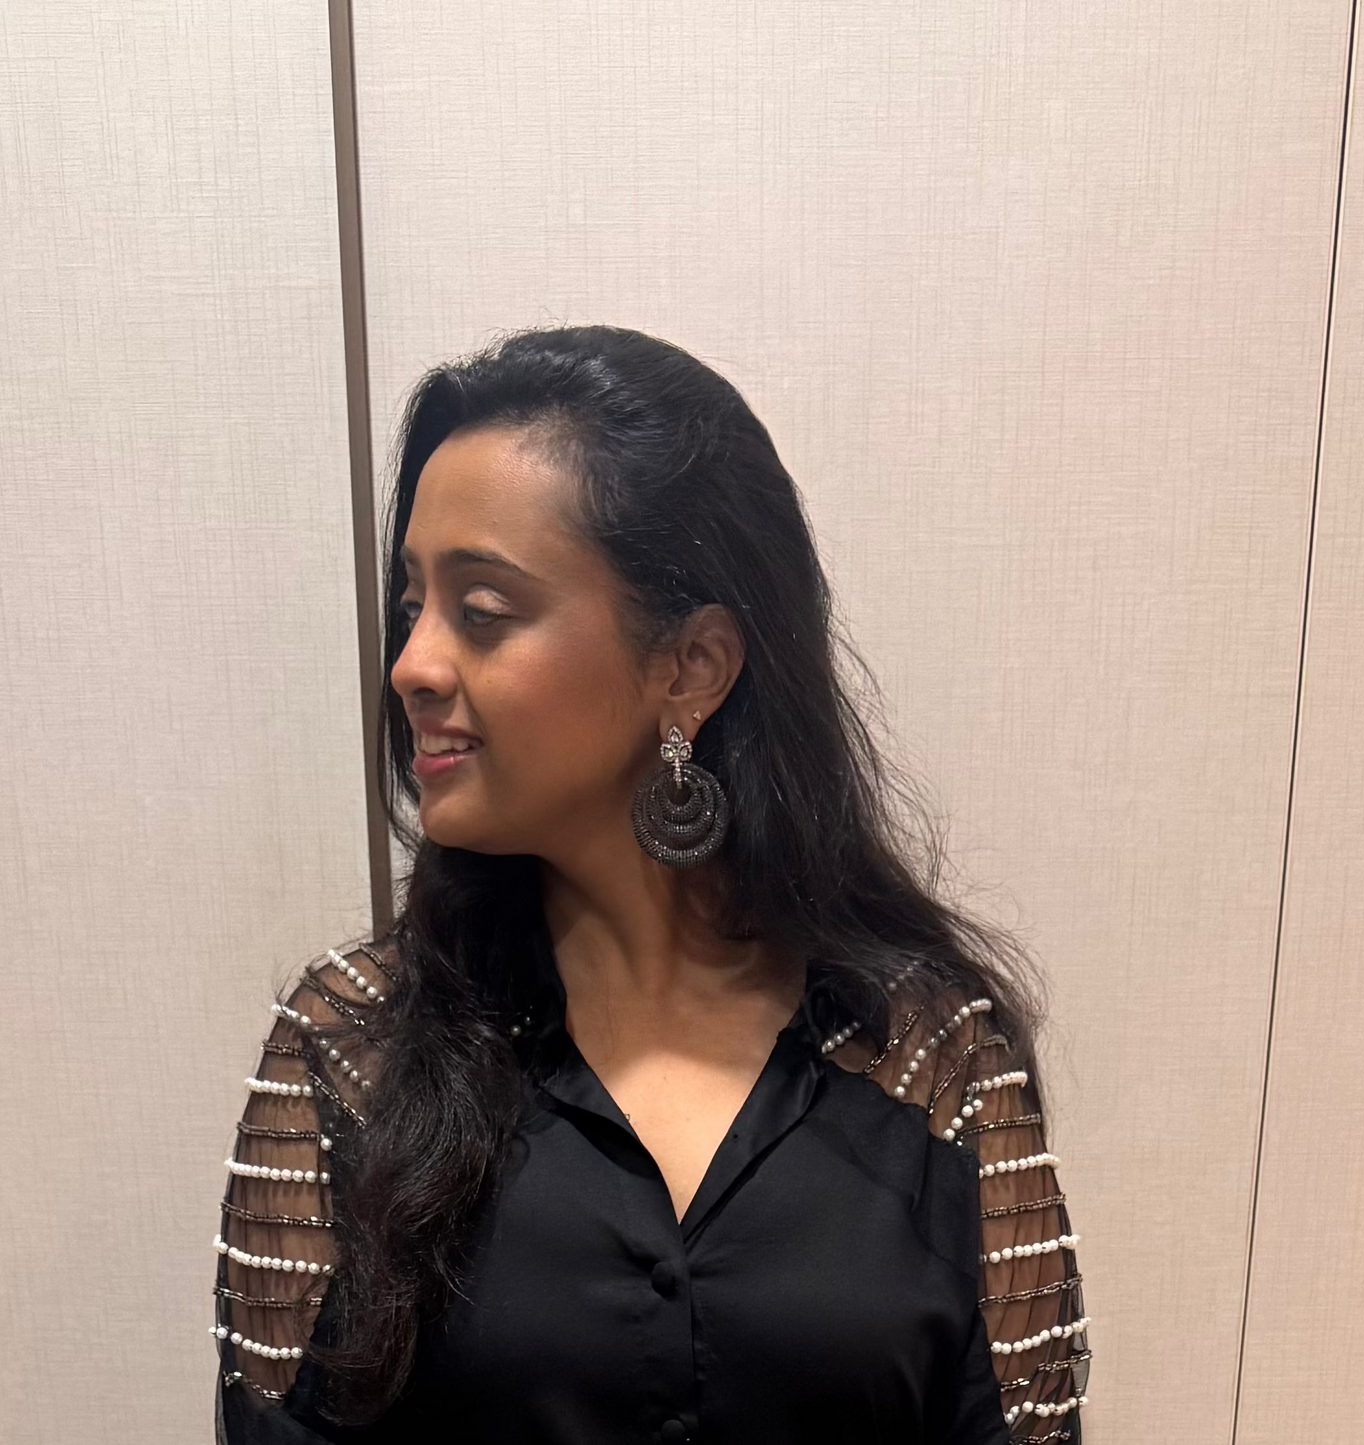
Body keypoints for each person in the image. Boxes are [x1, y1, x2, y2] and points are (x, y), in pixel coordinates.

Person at [211, 325, 1091, 1444]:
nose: (414, 665)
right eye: (410, 608)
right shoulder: (352, 1051)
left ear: (691, 666)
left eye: (480, 613)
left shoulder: (928, 1058)